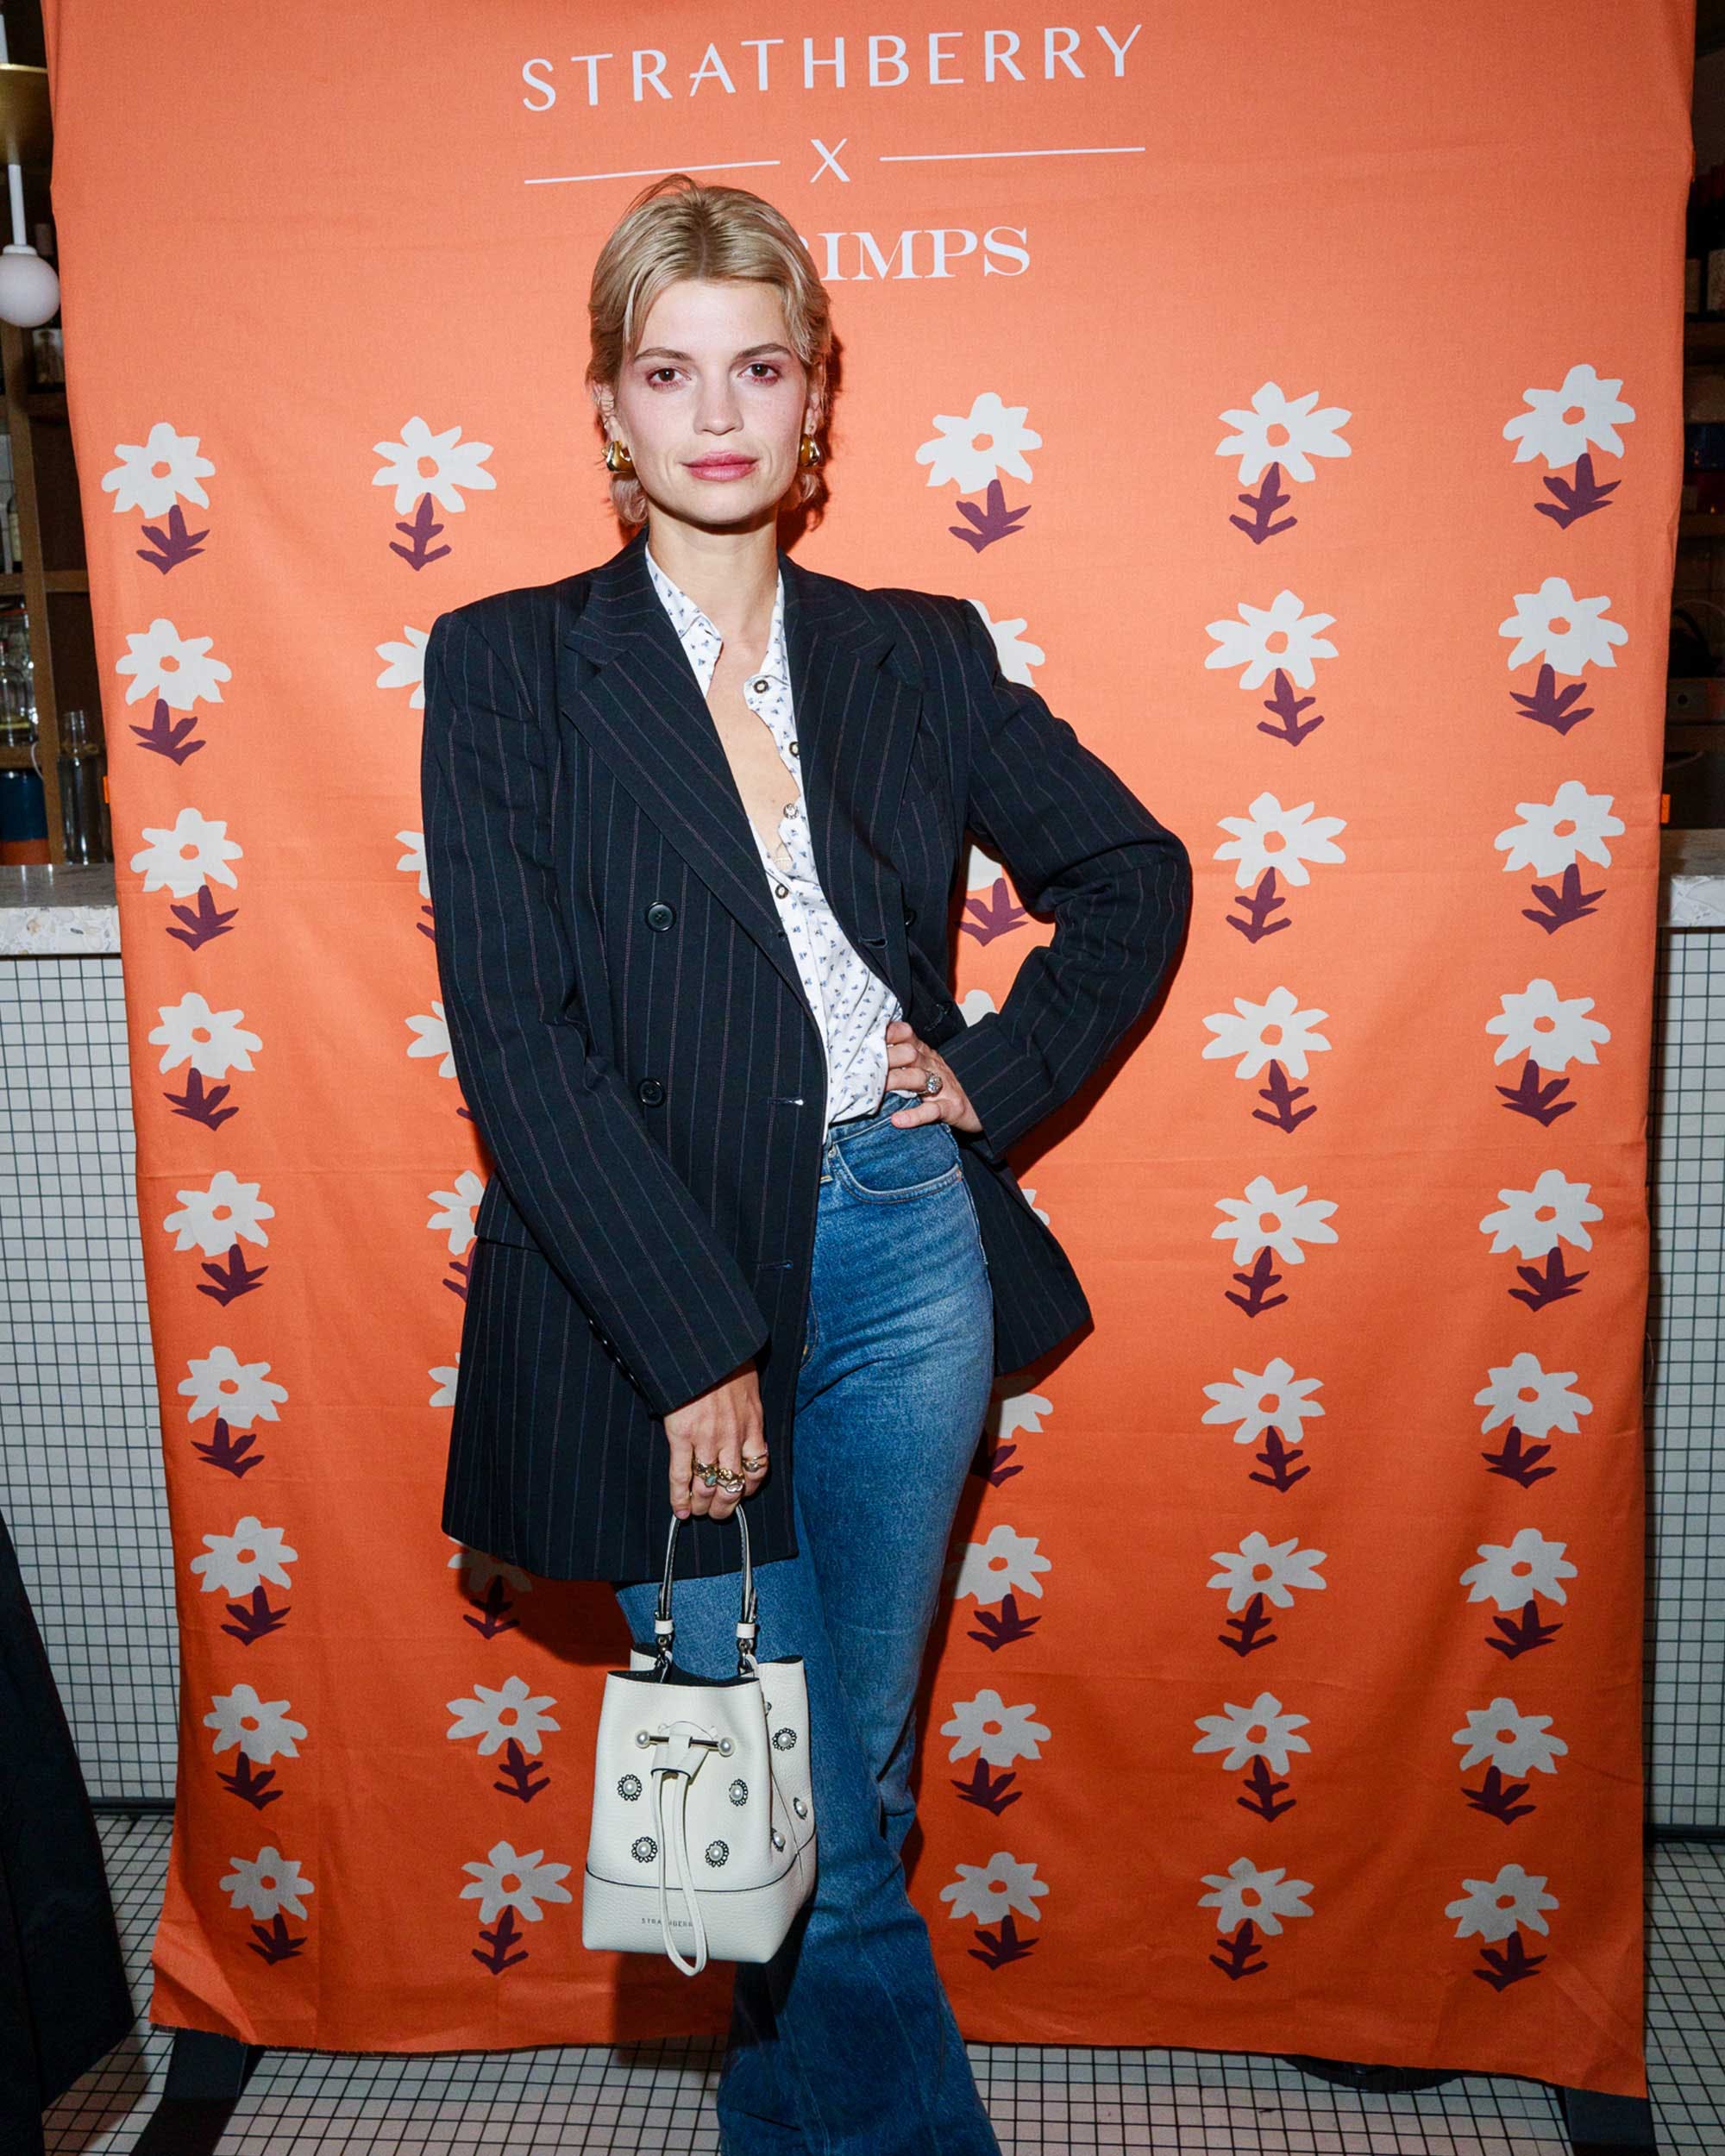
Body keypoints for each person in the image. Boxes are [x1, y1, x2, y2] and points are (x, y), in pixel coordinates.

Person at [420, 171, 1191, 2156]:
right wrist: (691, 1340)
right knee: (819, 1823)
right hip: (660, 1277)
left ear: (819, 395)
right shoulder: (506, 662)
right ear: (606, 405)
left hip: (903, 1251)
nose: (716, 411)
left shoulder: (913, 649)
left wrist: (990, 1075)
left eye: (759, 364)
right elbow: (520, 1042)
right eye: (668, 370)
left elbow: (1131, 873)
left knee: (835, 1783)